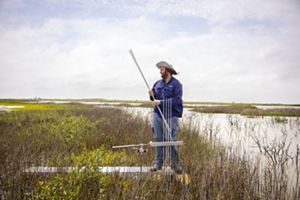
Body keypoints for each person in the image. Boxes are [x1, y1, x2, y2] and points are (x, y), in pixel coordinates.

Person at [149, 61, 183, 173]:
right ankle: (158, 164)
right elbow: (154, 100)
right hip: (157, 115)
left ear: (168, 71)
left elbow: (176, 100)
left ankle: (175, 165)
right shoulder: (157, 83)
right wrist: (151, 96)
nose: (160, 71)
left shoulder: (177, 84)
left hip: (171, 116)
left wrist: (161, 102)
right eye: (160, 69)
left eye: (162, 69)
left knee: (170, 140)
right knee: (158, 139)